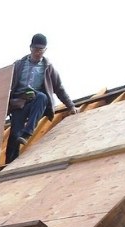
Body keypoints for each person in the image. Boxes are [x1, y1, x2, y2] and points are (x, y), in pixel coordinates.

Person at [5, 33, 78, 164]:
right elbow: (2, 81)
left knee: (42, 97)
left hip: (35, 103)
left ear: (45, 50)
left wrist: (71, 106)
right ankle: (9, 164)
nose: (37, 52)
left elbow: (59, 88)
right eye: (35, 49)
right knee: (15, 134)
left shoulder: (48, 67)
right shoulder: (18, 65)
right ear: (30, 48)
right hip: (18, 102)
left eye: (40, 49)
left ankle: (27, 133)